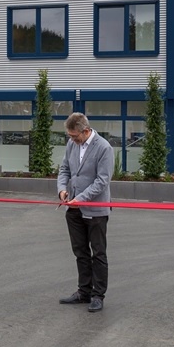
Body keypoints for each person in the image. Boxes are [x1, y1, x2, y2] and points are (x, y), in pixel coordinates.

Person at [56, 112, 114, 312]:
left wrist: (79, 199)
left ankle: (98, 295)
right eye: (70, 136)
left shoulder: (104, 148)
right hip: (73, 209)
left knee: (98, 253)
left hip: (95, 210)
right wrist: (62, 189)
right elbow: (64, 169)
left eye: (74, 136)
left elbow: (102, 181)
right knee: (80, 252)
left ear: (86, 130)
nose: (72, 140)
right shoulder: (72, 145)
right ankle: (84, 291)